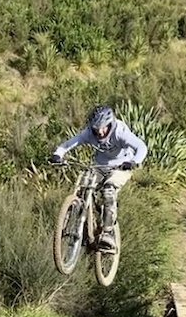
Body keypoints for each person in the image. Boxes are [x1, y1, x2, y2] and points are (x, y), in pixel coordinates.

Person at [49, 105, 147, 250]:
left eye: (103, 128)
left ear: (110, 124)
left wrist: (133, 162)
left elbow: (141, 147)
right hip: (99, 166)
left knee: (108, 191)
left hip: (120, 167)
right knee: (84, 186)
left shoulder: (119, 131)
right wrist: (58, 154)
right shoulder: (89, 133)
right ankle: (80, 222)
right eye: (96, 128)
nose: (100, 132)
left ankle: (108, 233)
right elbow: (68, 144)